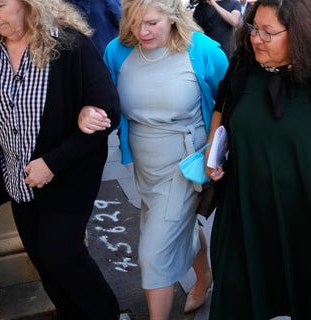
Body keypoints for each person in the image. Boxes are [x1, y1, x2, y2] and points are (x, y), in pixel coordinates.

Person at [0, 0, 124, 319]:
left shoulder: (69, 45)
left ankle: (106, 314)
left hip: (70, 178)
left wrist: (53, 162)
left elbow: (109, 111)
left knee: (62, 255)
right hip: (18, 183)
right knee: (44, 263)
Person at [77, 0, 228, 318]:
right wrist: (89, 112)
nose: (141, 31)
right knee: (177, 227)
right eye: (133, 22)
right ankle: (204, 277)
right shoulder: (117, 51)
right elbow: (104, 97)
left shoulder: (201, 49)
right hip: (142, 161)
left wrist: (217, 148)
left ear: (173, 18)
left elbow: (229, 97)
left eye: (151, 23)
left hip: (185, 162)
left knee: (152, 252)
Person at [204, 0, 311, 318]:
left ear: (300, 34)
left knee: (304, 293)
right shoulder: (243, 66)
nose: (256, 38)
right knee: (237, 290)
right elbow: (222, 105)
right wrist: (212, 151)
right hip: (244, 203)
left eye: (268, 32)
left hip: (304, 211)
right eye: (253, 28)